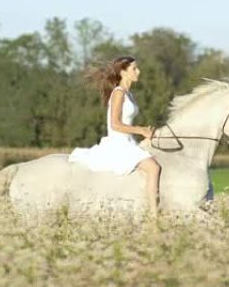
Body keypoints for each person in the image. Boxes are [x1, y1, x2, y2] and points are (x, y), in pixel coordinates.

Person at [68, 56, 162, 216]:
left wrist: (146, 134)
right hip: (118, 144)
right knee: (154, 168)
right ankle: (153, 215)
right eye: (134, 69)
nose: (138, 72)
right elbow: (115, 124)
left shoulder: (129, 94)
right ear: (123, 72)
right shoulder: (118, 93)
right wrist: (140, 130)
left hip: (128, 141)